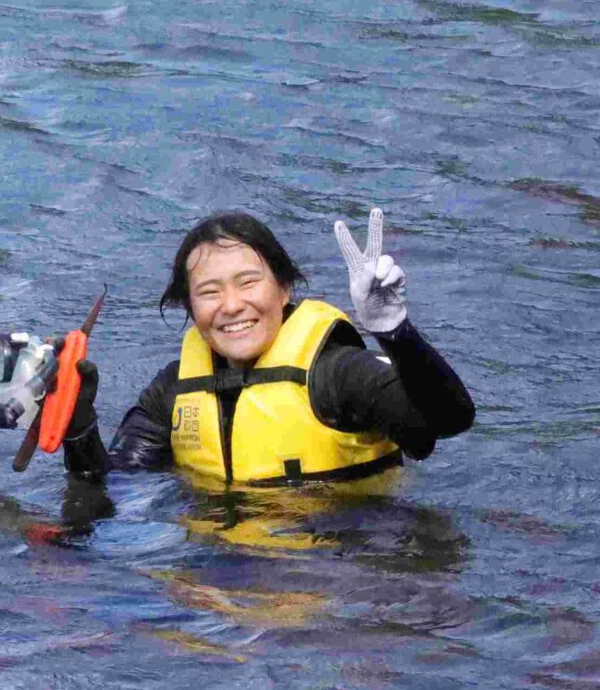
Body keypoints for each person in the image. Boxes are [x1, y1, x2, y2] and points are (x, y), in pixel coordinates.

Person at [43, 208, 472, 492]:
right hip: (228, 575)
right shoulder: (173, 390)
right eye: (209, 292)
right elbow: (114, 489)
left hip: (347, 567)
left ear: (284, 288)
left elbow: (448, 421)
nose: (231, 306)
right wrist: (78, 422)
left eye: (248, 283)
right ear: (190, 308)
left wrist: (395, 330)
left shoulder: (336, 374)